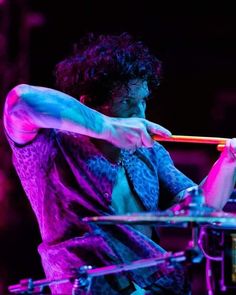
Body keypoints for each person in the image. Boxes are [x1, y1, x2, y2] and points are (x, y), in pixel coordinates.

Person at [3, 32, 236, 294]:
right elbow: (19, 101)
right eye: (126, 102)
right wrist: (107, 127)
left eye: (143, 101)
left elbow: (202, 208)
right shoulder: (50, 146)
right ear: (88, 102)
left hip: (159, 285)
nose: (139, 114)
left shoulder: (150, 152)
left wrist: (229, 161)